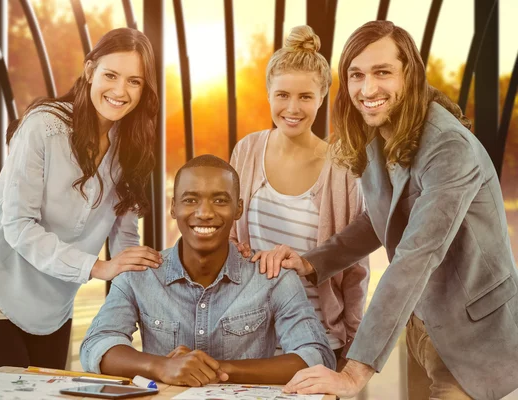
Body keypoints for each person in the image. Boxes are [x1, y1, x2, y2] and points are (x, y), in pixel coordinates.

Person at [254, 21, 518, 400]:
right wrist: (312, 264)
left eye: (382, 72)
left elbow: (415, 255)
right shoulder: (381, 130)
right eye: (356, 75)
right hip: (421, 324)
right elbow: (381, 219)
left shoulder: (449, 148)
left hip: (475, 337)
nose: (368, 89)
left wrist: (353, 373)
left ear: (409, 74)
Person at [0, 28, 163, 375]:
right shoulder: (43, 126)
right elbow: (18, 226)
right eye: (111, 75)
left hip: (53, 310)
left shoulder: (132, 148)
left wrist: (150, 277)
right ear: (90, 70)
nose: (120, 91)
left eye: (134, 81)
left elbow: (124, 240)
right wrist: (97, 267)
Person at [80, 155, 336, 386]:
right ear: (173, 207)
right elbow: (96, 346)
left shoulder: (273, 277)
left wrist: (217, 370)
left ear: (238, 208)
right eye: (191, 199)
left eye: (220, 200)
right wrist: (162, 367)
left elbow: (316, 357)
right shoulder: (139, 274)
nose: (204, 213)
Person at [229, 25, 369, 369]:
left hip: (318, 342)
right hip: (250, 339)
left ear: (322, 97)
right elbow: (229, 236)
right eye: (282, 95)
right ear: (268, 94)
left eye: (305, 97)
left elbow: (354, 266)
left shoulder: (342, 167)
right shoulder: (246, 151)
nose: (293, 108)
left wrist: (353, 340)